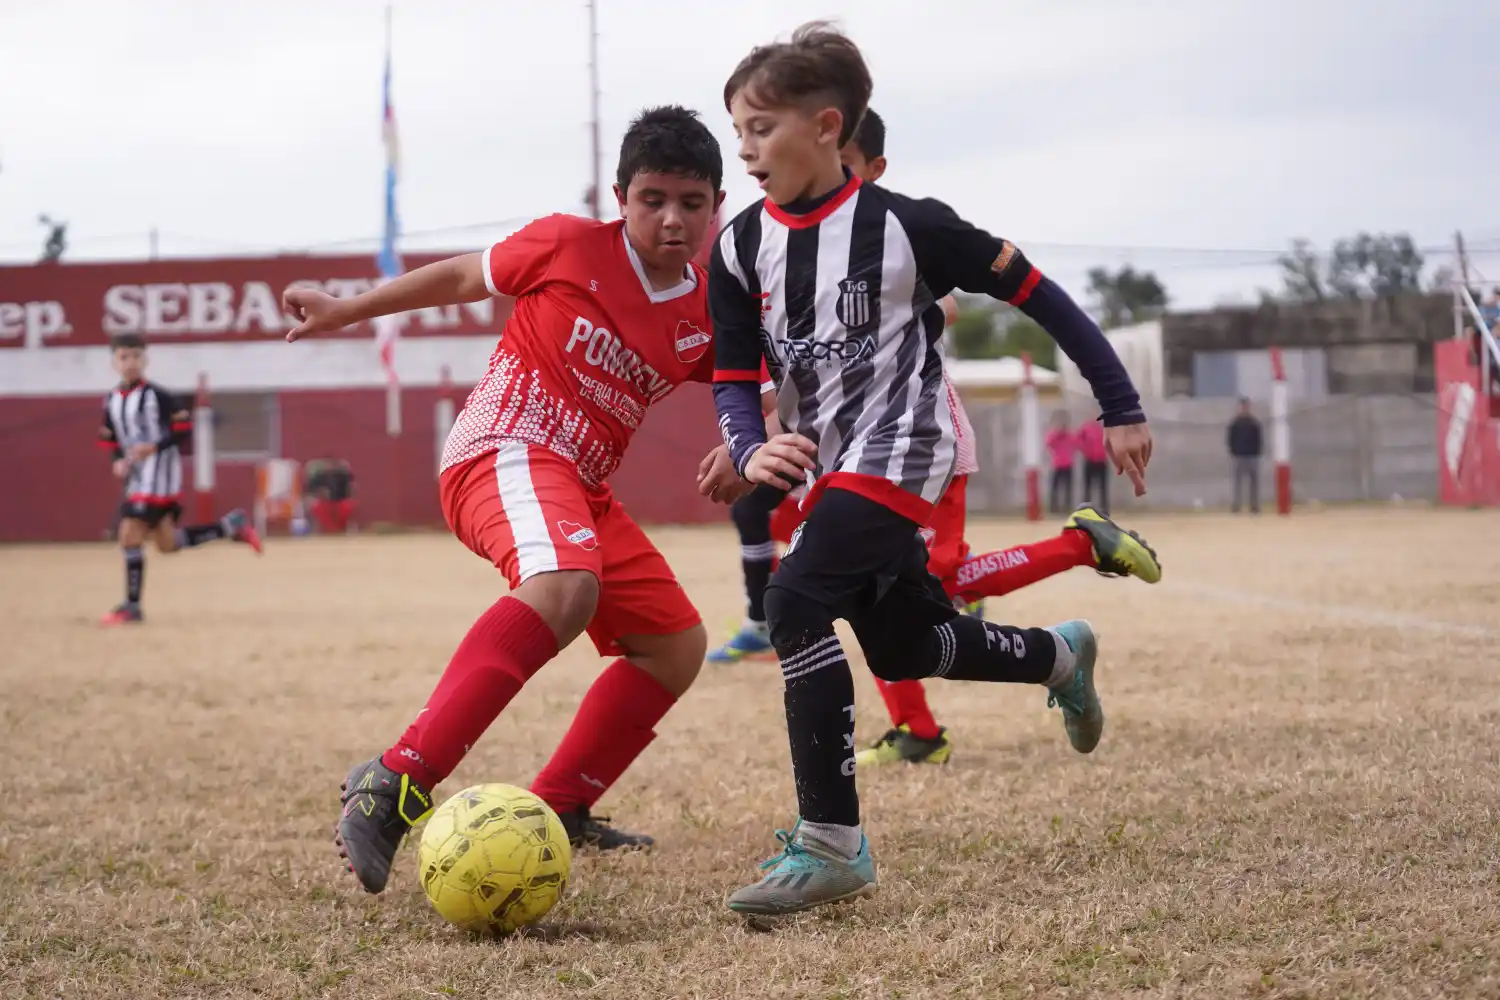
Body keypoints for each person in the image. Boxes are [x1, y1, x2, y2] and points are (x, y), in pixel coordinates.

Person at [708, 22, 1154, 915]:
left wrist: (1119, 404)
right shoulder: (738, 245)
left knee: (793, 601)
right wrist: (749, 444)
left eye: (761, 128)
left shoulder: (911, 226)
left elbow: (1040, 296)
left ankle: (832, 844)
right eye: (738, 130)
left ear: (826, 127)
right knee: (905, 643)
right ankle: (1058, 656)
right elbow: (731, 373)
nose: (745, 149)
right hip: (830, 463)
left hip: (907, 447)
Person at [284, 106, 744, 895]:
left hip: (581, 487)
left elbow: (757, 384)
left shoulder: (707, 311)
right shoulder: (569, 244)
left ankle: (561, 802)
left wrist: (754, 441)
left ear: (716, 206)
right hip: (503, 447)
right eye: (652, 199)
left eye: (691, 203)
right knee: (564, 586)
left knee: (674, 645)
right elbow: (464, 276)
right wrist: (346, 309)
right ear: (621, 198)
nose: (672, 219)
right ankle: (395, 781)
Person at [97, 334, 262, 626]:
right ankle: (230, 525)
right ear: (114, 363)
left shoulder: (158, 396)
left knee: (129, 533)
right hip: (138, 479)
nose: (131, 363)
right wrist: (118, 461)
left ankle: (132, 607)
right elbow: (110, 439)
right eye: (124, 357)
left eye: (136, 356)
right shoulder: (111, 400)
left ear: (145, 360)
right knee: (167, 543)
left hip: (160, 478)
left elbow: (184, 428)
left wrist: (154, 447)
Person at [1227, 397, 1263, 514]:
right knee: (1237, 483)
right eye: (1242, 407)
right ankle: (1236, 505)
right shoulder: (1235, 424)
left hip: (1252, 456)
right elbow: (1231, 439)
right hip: (1239, 456)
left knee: (1254, 483)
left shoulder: (1254, 423)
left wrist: (1257, 452)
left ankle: (1254, 506)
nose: (1244, 409)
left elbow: (1258, 440)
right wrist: (1233, 452)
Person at [1045, 411, 1077, 514]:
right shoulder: (1053, 434)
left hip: (1068, 464)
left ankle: (1067, 507)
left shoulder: (1070, 434)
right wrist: (1058, 433)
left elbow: (1076, 443)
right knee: (1055, 487)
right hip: (1057, 464)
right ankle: (1054, 507)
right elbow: (1049, 443)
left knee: (1068, 487)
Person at [1077, 413, 1110, 514]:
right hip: (1089, 460)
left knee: (1103, 486)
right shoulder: (1085, 428)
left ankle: (1104, 509)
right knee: (1087, 486)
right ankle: (1085, 509)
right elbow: (1079, 441)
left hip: (1101, 460)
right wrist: (1086, 452)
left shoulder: (1104, 428)